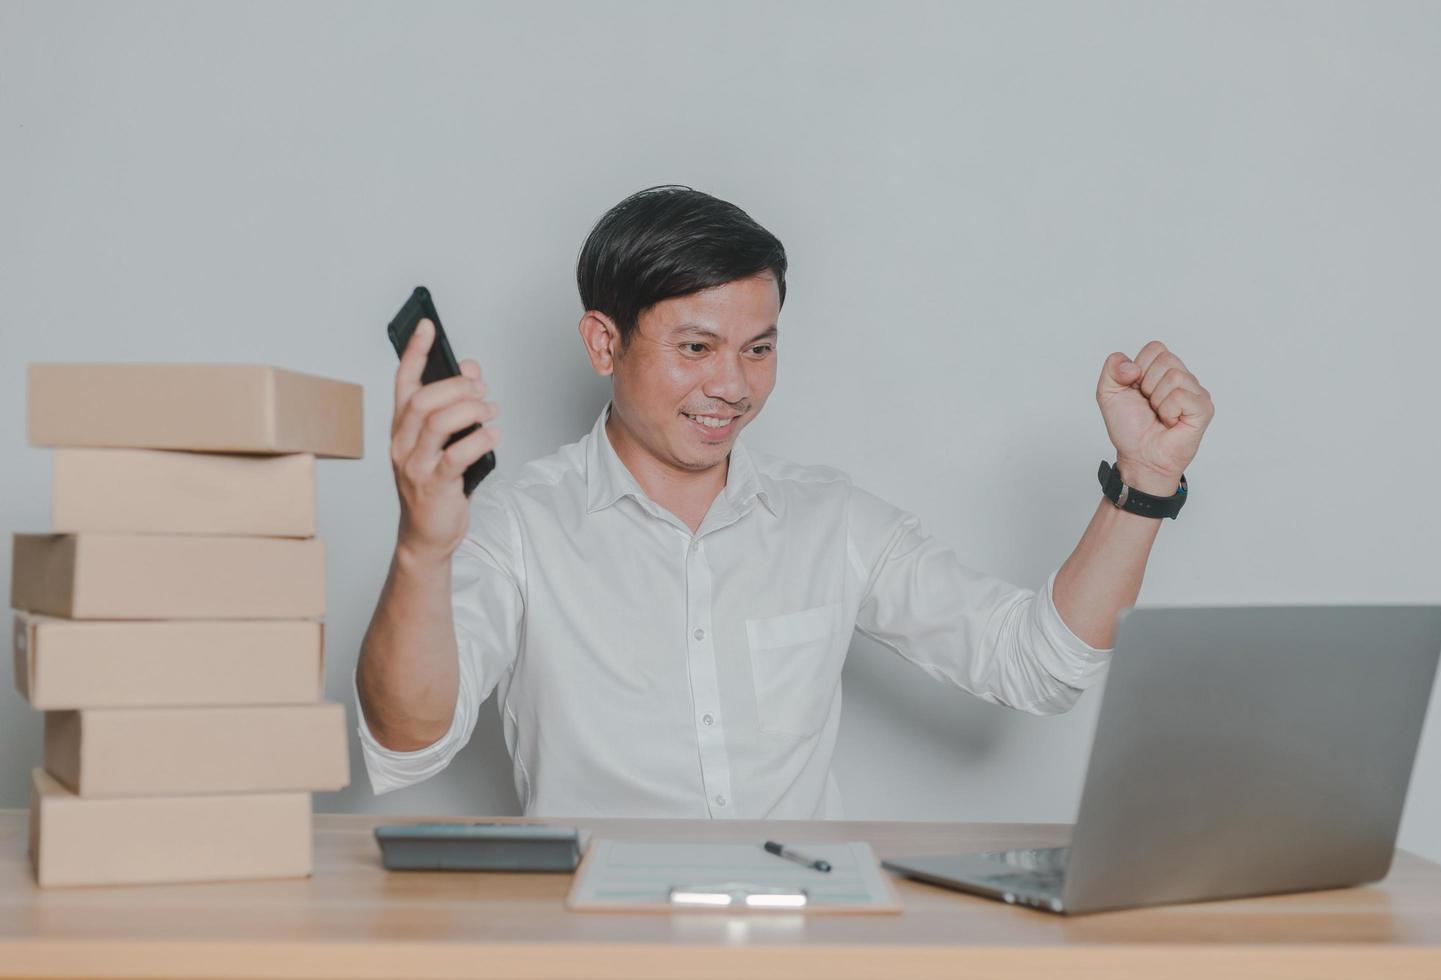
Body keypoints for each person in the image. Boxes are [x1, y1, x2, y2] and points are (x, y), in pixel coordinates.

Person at [354, 185, 1215, 818]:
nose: (731, 385)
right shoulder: (518, 526)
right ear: (603, 341)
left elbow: (1039, 662)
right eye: (696, 346)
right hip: (602, 939)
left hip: (804, 934)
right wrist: (422, 550)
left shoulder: (831, 521)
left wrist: (1144, 486)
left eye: (758, 348)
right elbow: (410, 739)